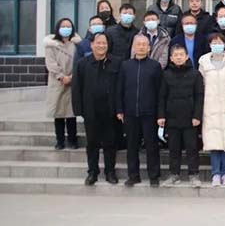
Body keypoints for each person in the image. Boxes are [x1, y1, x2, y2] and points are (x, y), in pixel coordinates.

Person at [72, 32, 121, 185]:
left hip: (110, 110)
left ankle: (110, 171)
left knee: (110, 142)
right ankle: (92, 172)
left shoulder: (116, 62)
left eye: (104, 43)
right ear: (92, 45)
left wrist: (120, 109)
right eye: (98, 43)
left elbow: (120, 88)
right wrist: (79, 109)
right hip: (91, 110)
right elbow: (76, 88)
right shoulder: (82, 64)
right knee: (92, 143)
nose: (101, 46)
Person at [116, 34, 163, 187]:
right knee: (132, 146)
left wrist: (160, 113)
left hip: (149, 113)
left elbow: (160, 92)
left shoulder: (155, 66)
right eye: (138, 44)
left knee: (151, 146)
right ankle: (133, 175)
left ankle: (154, 175)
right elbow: (120, 89)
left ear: (149, 48)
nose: (141, 47)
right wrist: (119, 109)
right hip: (130, 112)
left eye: (144, 44)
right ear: (134, 47)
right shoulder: (125, 66)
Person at [158, 45, 205, 188]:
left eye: (181, 54)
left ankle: (194, 174)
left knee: (192, 148)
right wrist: (161, 115)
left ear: (186, 57)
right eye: (175, 55)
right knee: (174, 148)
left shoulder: (195, 74)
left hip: (190, 118)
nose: (178, 57)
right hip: (172, 117)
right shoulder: (166, 74)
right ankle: (174, 174)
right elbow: (161, 96)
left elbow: (199, 97)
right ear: (171, 58)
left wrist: (197, 116)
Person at [199, 33, 225, 187]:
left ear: (224, 44)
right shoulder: (203, 61)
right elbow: (200, 84)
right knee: (213, 141)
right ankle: (215, 173)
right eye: (214, 42)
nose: (217, 45)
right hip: (210, 106)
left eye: (219, 42)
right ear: (209, 45)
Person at [44, 18, 81, 150]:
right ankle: (60, 140)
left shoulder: (76, 44)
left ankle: (72, 140)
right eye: (63, 26)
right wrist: (61, 76)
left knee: (71, 113)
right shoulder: (51, 45)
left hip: (72, 81)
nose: (66, 29)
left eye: (68, 26)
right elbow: (50, 63)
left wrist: (71, 77)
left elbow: (79, 62)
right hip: (57, 81)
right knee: (58, 113)